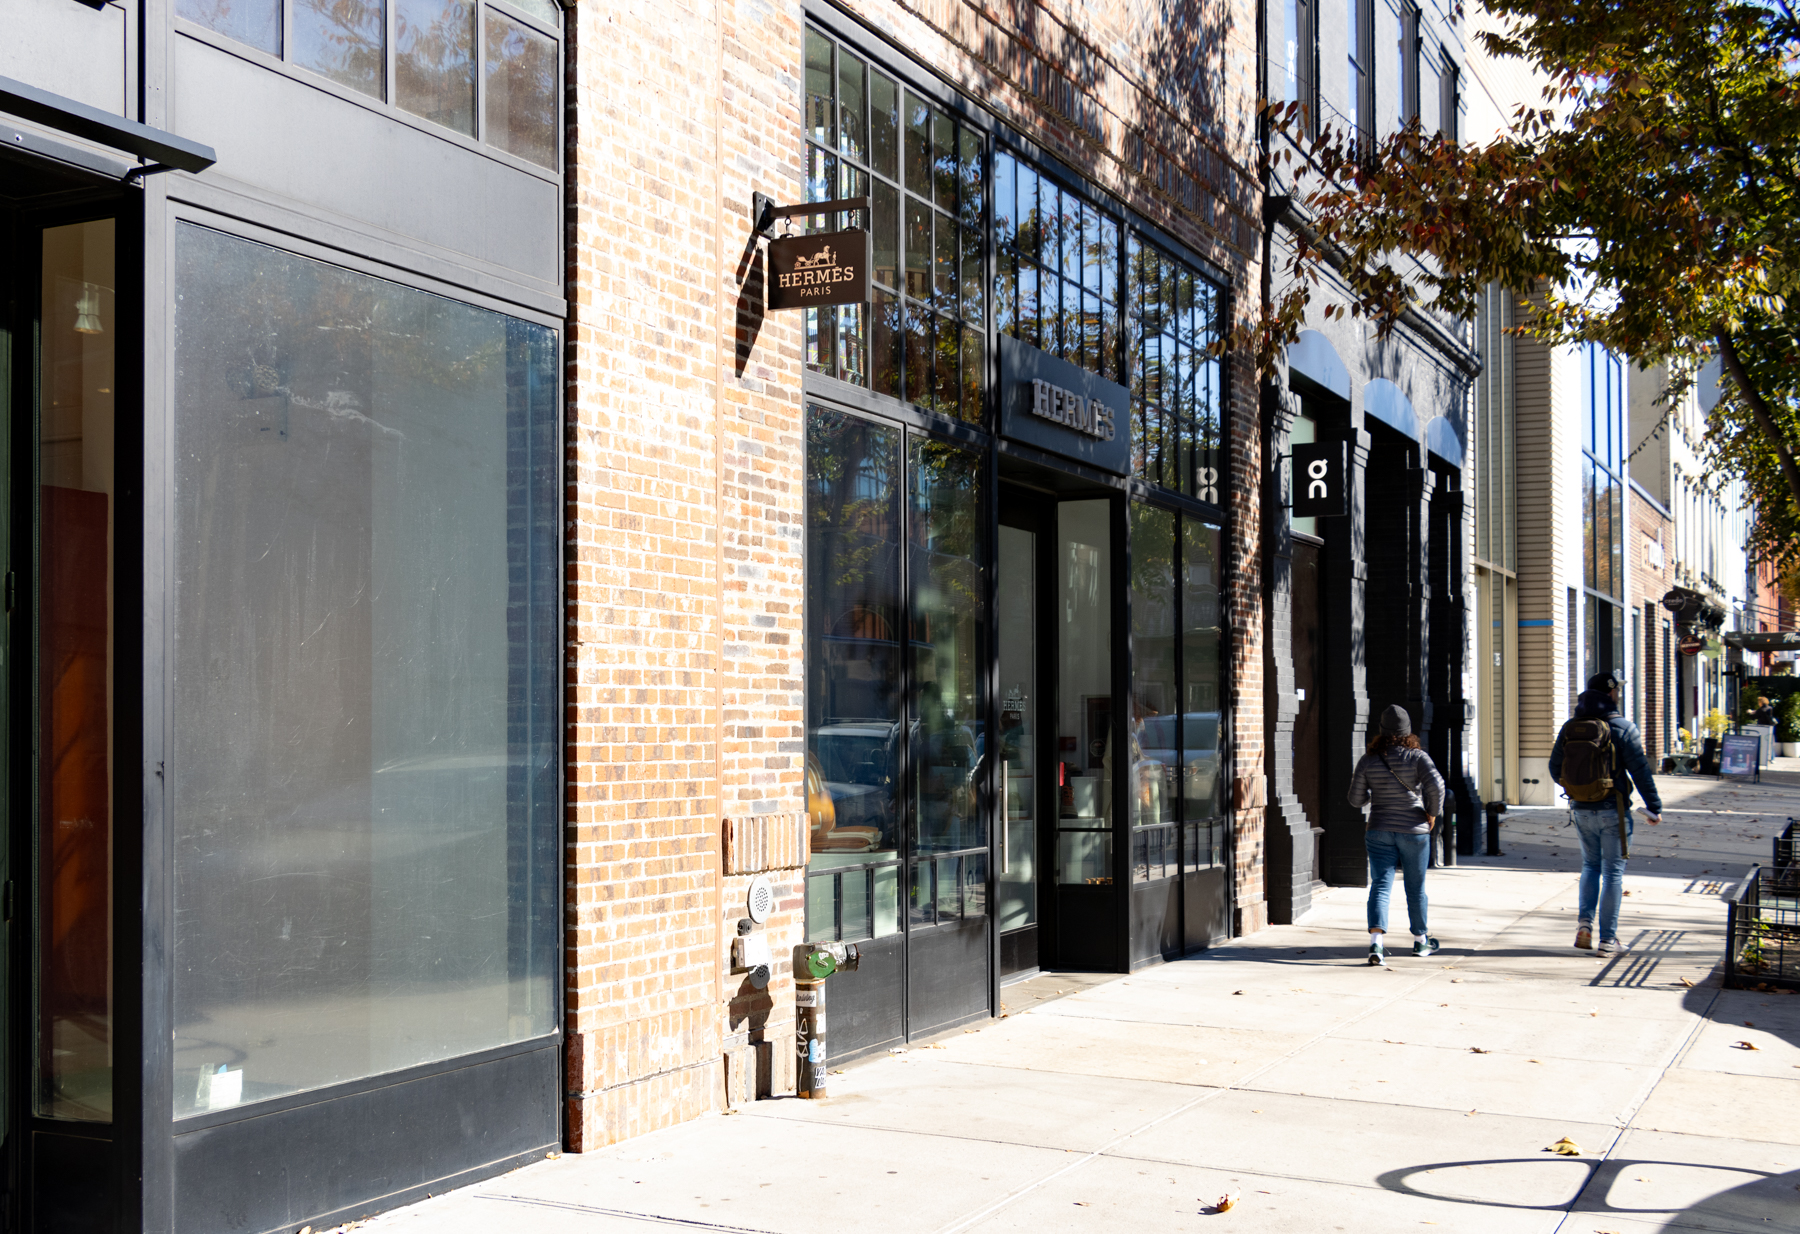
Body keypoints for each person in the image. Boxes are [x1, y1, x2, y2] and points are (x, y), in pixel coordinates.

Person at [1549, 671, 1664, 957]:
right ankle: (1608, 940)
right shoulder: (1623, 728)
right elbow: (1640, 772)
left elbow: (1554, 768)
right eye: (1617, 690)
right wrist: (1654, 807)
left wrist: (1579, 789)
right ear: (1611, 693)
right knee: (1613, 873)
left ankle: (1585, 926)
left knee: (1590, 866)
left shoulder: (1570, 727)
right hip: (1614, 808)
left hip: (1581, 809)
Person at [1348, 704, 1446, 966]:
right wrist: (1432, 812)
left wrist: (1375, 794)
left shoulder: (1368, 760)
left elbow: (1355, 799)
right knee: (1415, 887)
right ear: (1407, 731)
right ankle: (1420, 940)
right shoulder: (1417, 757)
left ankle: (1376, 946)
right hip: (1414, 830)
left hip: (1378, 828)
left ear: (1381, 731)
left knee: (1381, 884)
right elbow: (1436, 784)